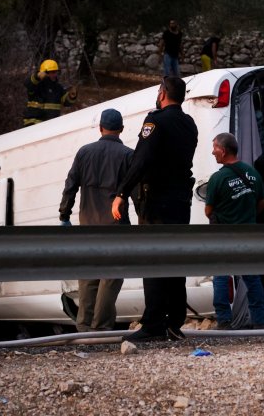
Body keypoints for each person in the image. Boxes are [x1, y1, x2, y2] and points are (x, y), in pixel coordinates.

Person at [112, 76, 198, 342]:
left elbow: (141, 160)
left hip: (156, 202)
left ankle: (153, 325)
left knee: (153, 260)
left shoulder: (155, 121)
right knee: (176, 260)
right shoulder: (189, 124)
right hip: (181, 203)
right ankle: (175, 322)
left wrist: (121, 193)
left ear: (162, 94)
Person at [58, 109, 133, 332]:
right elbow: (136, 192)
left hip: (87, 227)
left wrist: (64, 215)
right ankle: (101, 328)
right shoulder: (128, 155)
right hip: (116, 228)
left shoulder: (84, 152)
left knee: (88, 279)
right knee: (110, 279)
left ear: (100, 128)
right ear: (121, 129)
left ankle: (83, 327)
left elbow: (70, 185)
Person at [205, 133, 264, 330]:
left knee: (221, 276)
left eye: (214, 147)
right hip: (248, 234)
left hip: (224, 236)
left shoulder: (217, 178)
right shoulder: (252, 173)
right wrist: (248, 217)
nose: (212, 151)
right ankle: (259, 321)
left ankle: (224, 320)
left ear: (223, 151)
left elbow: (208, 210)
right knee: (252, 277)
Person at [23, 59, 76, 126]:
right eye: (52, 72)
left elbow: (67, 103)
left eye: (56, 72)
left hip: (50, 124)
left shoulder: (58, 87)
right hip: (34, 123)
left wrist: (71, 96)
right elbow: (27, 83)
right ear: (45, 73)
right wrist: (37, 77)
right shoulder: (37, 85)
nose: (55, 74)